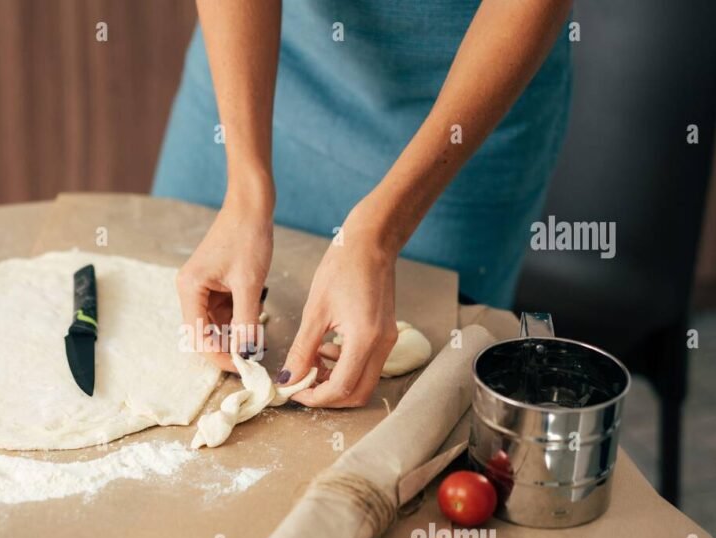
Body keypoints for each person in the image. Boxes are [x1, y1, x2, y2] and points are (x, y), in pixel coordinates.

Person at [154, 0, 573, 407]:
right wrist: (246, 189)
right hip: (255, 65)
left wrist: (380, 235)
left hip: (464, 102)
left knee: (429, 383)